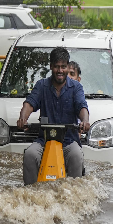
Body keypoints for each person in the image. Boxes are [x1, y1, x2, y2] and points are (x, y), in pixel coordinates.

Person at [17, 47, 91, 185]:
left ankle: (75, 196)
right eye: (57, 67)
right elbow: (29, 103)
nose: (60, 70)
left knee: (76, 155)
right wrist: (23, 118)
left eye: (63, 67)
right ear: (51, 66)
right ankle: (30, 193)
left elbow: (82, 106)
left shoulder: (76, 88)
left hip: (68, 141)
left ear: (68, 67)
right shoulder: (42, 86)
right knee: (29, 154)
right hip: (44, 141)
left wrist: (85, 121)